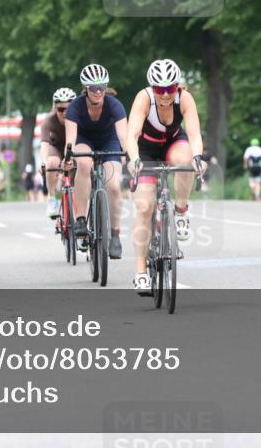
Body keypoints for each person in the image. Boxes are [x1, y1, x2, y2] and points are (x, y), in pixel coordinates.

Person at [126, 59, 205, 293]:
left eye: (170, 89)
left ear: (177, 86)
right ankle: (141, 272)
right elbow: (131, 135)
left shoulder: (185, 98)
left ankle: (180, 211)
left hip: (174, 144)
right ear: (152, 88)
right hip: (146, 150)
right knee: (144, 207)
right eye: (160, 89)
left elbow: (194, 134)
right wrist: (134, 160)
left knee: (186, 160)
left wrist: (198, 157)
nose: (165, 95)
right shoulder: (144, 98)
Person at [63, 63, 128, 259]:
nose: (99, 92)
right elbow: (71, 139)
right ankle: (81, 219)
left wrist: (130, 157)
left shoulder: (115, 105)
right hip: (84, 140)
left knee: (114, 186)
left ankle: (115, 235)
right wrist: (68, 158)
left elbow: (124, 137)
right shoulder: (75, 107)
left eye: (102, 87)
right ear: (86, 89)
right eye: (94, 88)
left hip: (110, 141)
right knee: (83, 163)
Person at [41, 87, 76, 218]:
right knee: (51, 163)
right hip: (56, 148)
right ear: (55, 108)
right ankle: (51, 198)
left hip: (73, 149)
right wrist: (44, 163)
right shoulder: (49, 120)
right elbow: (44, 145)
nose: (65, 112)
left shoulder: (80, 119)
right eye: (61, 109)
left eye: (69, 108)